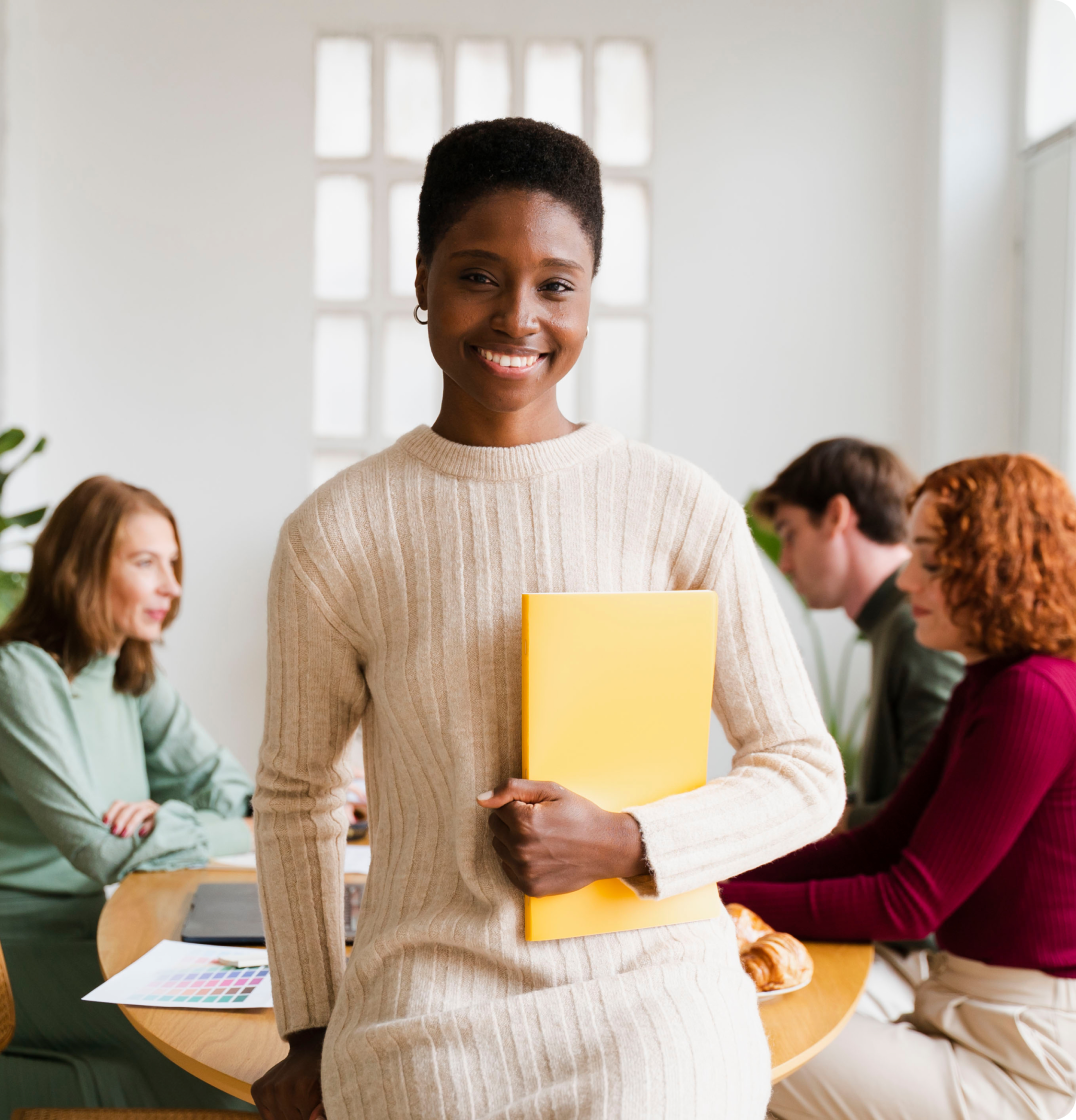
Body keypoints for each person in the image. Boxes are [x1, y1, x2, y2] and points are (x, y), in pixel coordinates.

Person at [250, 117, 844, 1120]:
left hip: (654, 998)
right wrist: (310, 1026)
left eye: (555, 283)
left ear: (587, 296)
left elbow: (802, 770)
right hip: (425, 1007)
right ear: (422, 281)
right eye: (477, 275)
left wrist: (625, 839)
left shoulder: (674, 504)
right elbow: (299, 791)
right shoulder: (337, 530)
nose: (518, 316)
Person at [725, 454, 1076, 1120]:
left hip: (1021, 1056)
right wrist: (712, 882)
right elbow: (881, 843)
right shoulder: (992, 682)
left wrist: (709, 906)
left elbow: (911, 902)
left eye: (934, 562)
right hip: (972, 1014)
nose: (909, 577)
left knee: (729, 1034)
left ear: (1002, 569)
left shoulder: (1033, 695)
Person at [0, 475, 256, 1116]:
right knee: (234, 1050)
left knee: (256, 1010)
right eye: (146, 563)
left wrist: (170, 820)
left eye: (172, 564)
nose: (172, 587)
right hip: (1, 954)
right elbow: (99, 850)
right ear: (81, 568)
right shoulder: (18, 675)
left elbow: (236, 795)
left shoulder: (126, 669)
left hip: (89, 927)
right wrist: (228, 826)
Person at [753, 439, 963, 828]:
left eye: (789, 534)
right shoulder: (894, 624)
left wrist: (824, 824)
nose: (783, 563)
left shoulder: (917, 626)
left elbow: (935, 811)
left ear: (836, 515)